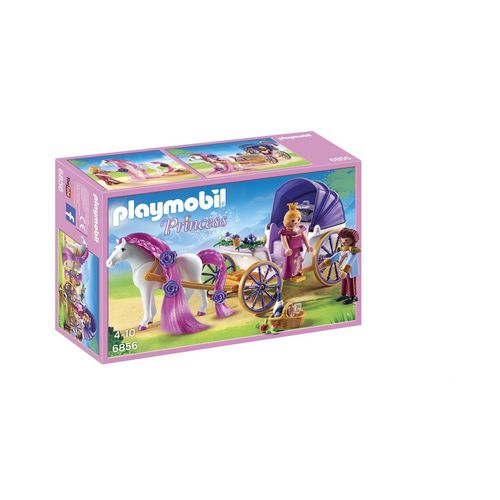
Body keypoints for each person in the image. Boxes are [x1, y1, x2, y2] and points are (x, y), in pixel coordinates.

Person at [320, 228, 360, 304]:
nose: (343, 242)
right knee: (344, 282)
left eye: (346, 240)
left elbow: (350, 261)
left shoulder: (353, 251)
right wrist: (325, 263)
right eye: (342, 240)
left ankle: (353, 297)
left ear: (353, 240)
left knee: (351, 283)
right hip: (343, 270)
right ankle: (344, 295)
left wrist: (345, 270)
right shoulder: (343, 250)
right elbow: (335, 257)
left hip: (350, 271)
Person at [279, 202, 313, 281]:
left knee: (298, 259)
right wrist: (287, 248)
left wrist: (308, 245)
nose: (296, 222)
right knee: (290, 261)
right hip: (290, 249)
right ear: (287, 220)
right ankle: (289, 274)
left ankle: (298, 272)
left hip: (297, 248)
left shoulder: (299, 229)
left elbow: (304, 237)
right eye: (293, 220)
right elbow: (283, 240)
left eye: (298, 219)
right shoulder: (285, 231)